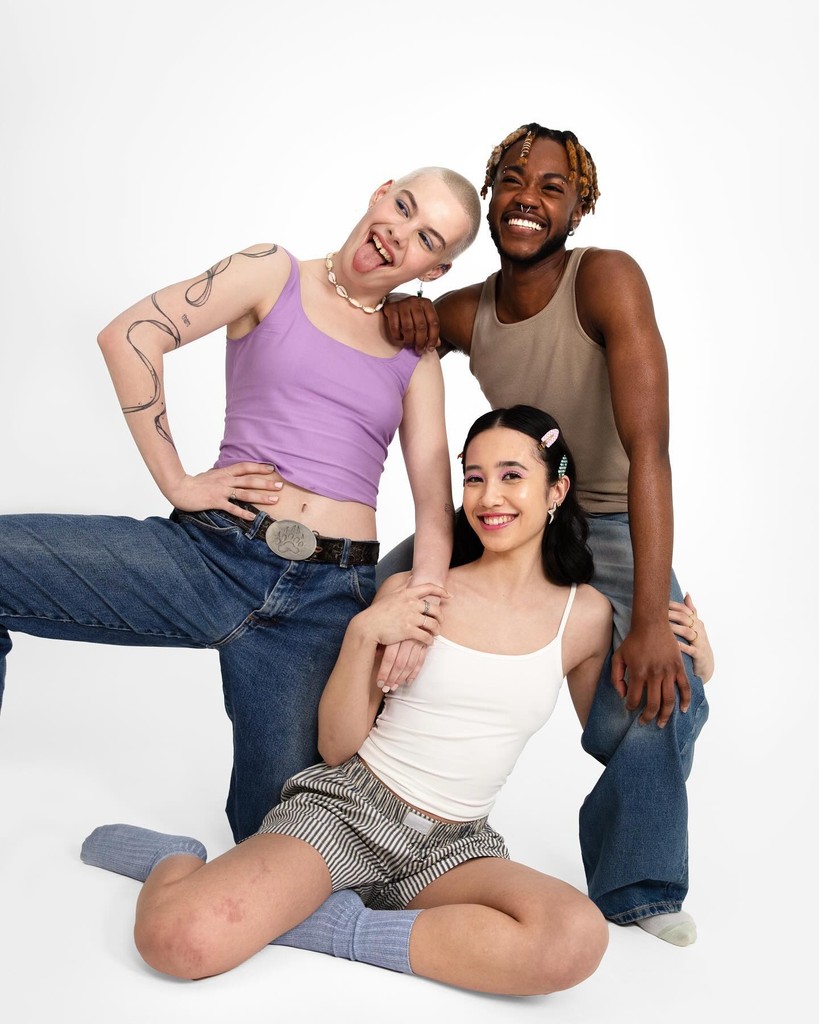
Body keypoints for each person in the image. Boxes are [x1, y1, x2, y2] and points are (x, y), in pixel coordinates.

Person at [0, 166, 481, 843]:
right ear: (379, 192)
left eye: (426, 238)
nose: (399, 234)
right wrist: (177, 481)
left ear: (435, 269)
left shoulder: (414, 355)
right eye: (401, 207)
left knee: (279, 840)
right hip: (214, 553)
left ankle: (181, 869)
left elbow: (434, 505)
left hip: (328, 596)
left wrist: (418, 608)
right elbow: (131, 333)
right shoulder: (271, 271)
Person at [81, 405, 614, 995]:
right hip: (352, 813)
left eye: (512, 475)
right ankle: (175, 861)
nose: (490, 496)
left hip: (457, 848)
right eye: (474, 477)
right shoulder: (413, 591)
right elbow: (337, 746)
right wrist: (365, 631)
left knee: (573, 937)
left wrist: (701, 666)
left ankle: (339, 927)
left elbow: (613, 739)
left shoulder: (585, 618)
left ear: (556, 489)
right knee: (175, 941)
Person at [380, 123, 711, 945]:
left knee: (655, 695)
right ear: (493, 194)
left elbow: (649, 452)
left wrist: (644, 622)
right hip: (504, 510)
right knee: (357, 594)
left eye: (553, 187)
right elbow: (392, 322)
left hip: (607, 515)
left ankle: (637, 887)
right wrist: (409, 314)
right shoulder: (469, 310)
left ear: (576, 208)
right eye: (514, 180)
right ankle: (321, 814)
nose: (529, 196)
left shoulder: (604, 279)